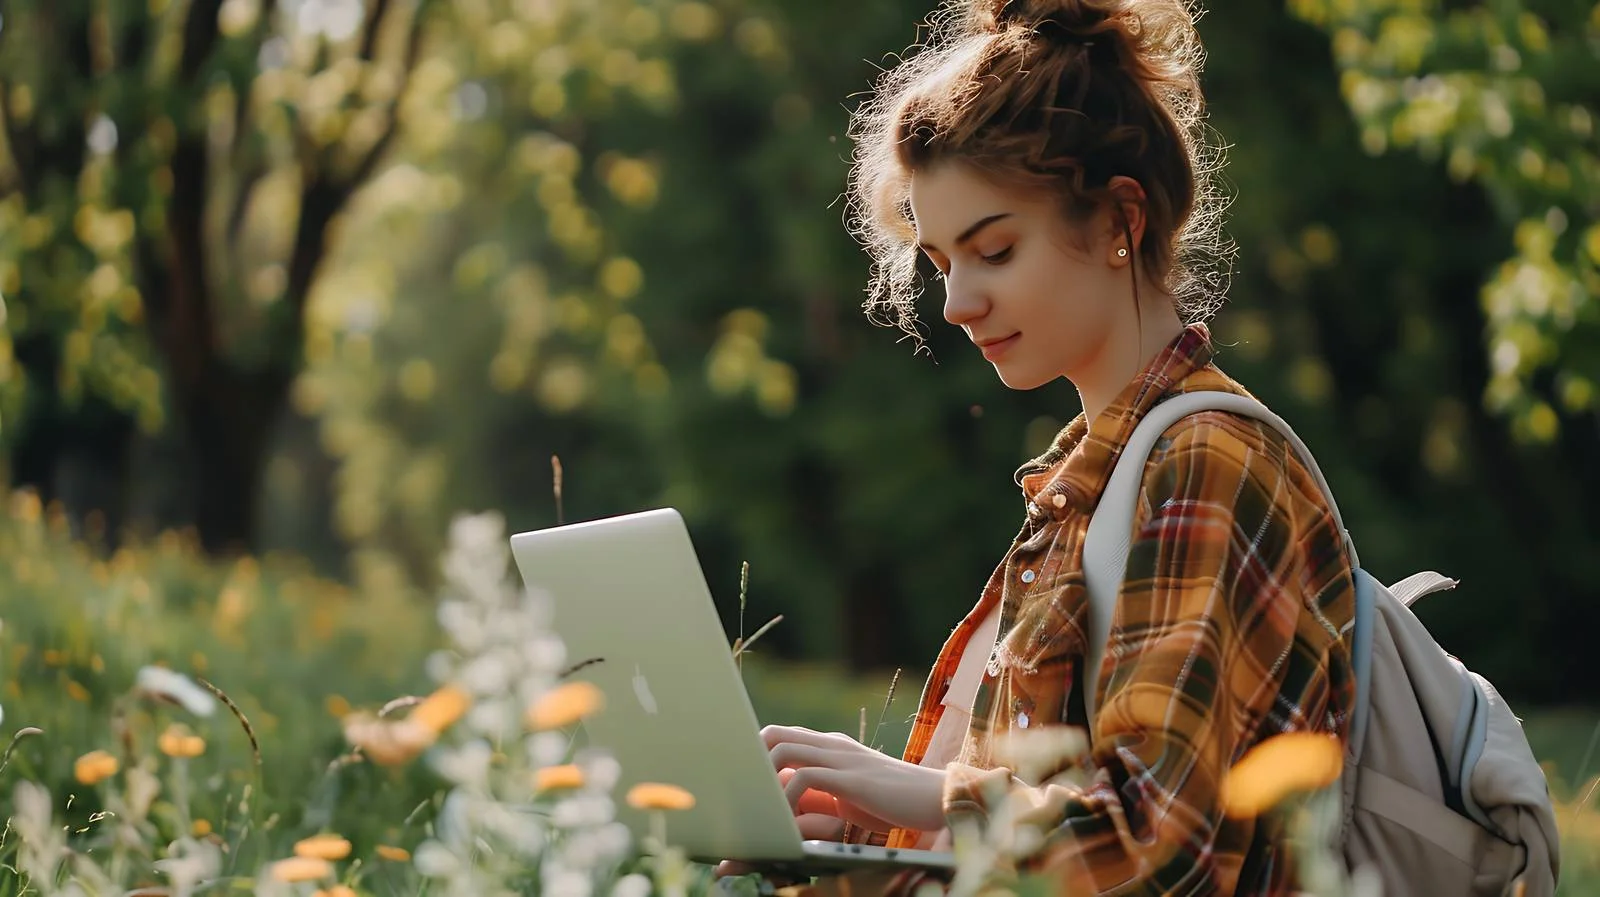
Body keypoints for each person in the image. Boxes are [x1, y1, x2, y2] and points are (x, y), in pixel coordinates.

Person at [722, 0, 1359, 894]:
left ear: (1117, 221)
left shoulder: (1206, 459)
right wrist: (862, 846)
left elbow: (1156, 843)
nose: (956, 304)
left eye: (995, 249)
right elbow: (1039, 853)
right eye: (943, 263)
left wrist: (929, 797)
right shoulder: (1084, 484)